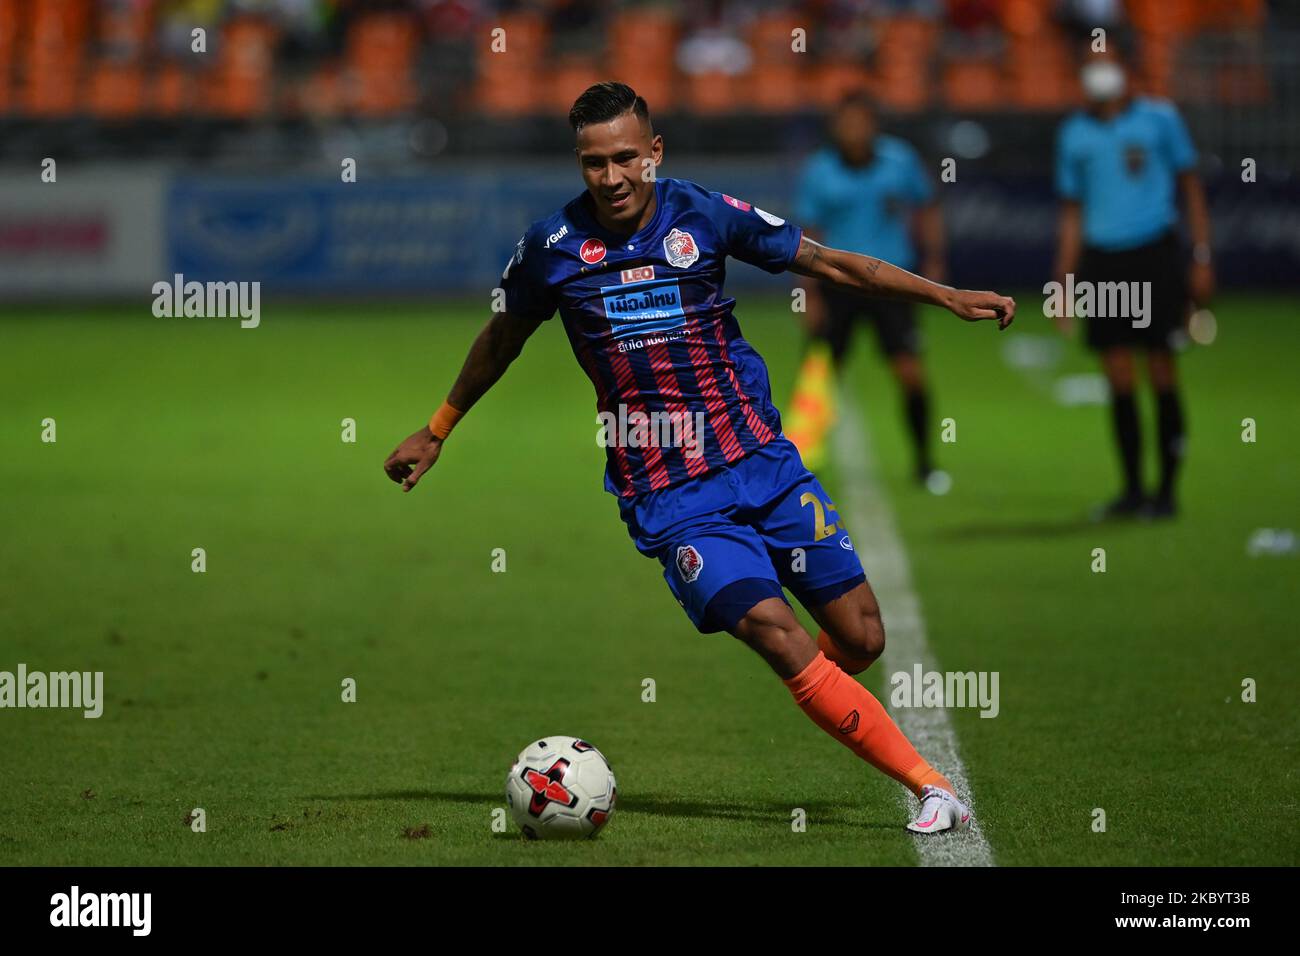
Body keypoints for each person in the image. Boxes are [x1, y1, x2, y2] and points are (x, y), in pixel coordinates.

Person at [384, 82, 1016, 832]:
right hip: (672, 496)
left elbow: (832, 264)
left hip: (762, 464)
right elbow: (502, 336)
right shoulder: (552, 249)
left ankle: (821, 688)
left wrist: (944, 295)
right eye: (594, 163)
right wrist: (440, 425)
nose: (611, 177)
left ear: (654, 153)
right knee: (775, 632)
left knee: (862, 637)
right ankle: (931, 787)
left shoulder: (704, 215)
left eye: (625, 158)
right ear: (579, 164)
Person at [1053, 46, 1213, 518]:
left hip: (1154, 255)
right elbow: (1071, 212)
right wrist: (1063, 282)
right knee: (1117, 375)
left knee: (1161, 368)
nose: (1097, 70)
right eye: (1089, 62)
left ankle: (1167, 491)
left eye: (1105, 59)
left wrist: (1201, 256)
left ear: (1125, 66)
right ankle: (1131, 490)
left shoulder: (1160, 119)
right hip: (1103, 261)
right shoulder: (1073, 132)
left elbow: (1191, 187)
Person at [787, 93, 948, 486]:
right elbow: (809, 237)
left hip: (892, 285)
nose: (854, 130)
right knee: (821, 374)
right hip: (838, 284)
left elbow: (927, 206)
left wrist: (933, 261)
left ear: (874, 125)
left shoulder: (900, 161)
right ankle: (801, 462)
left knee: (909, 371)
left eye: (861, 122)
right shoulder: (819, 170)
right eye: (846, 122)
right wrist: (807, 294)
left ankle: (925, 460)